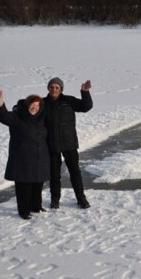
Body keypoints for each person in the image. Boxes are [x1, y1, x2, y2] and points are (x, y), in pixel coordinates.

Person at [0, 87, 50, 220]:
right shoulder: (17, 117)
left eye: (37, 105)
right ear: (27, 105)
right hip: (22, 159)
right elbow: (4, 117)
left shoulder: (41, 118)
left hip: (39, 158)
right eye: (32, 105)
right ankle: (23, 211)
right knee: (23, 187)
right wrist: (0, 103)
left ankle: (36, 206)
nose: (34, 108)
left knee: (37, 184)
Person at [43, 77, 93, 209]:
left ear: (61, 89)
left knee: (75, 172)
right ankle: (55, 199)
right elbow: (29, 109)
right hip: (51, 144)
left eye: (57, 87)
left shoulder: (68, 101)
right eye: (52, 87)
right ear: (48, 88)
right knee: (54, 174)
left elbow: (86, 106)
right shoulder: (42, 103)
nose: (54, 89)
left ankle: (81, 198)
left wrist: (85, 92)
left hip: (69, 143)